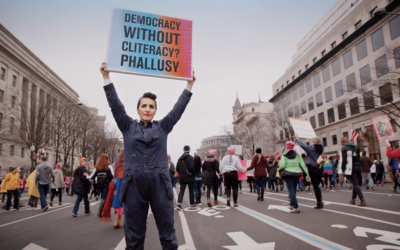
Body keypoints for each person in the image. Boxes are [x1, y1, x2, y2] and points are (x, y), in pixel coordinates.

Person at [101, 62, 195, 250]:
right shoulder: (127, 126)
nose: (147, 109)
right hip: (133, 184)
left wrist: (189, 85)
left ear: (155, 110)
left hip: (160, 184)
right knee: (134, 236)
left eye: (151, 106)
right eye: (144, 105)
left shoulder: (163, 126)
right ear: (138, 109)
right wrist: (106, 77)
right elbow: (115, 105)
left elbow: (178, 110)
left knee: (168, 234)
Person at [279, 141, 310, 213]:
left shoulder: (284, 155)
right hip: (297, 173)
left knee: (291, 190)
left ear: (287, 147)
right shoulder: (298, 155)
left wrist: (280, 167)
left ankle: (296, 207)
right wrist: (307, 175)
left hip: (288, 173)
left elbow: (282, 165)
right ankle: (292, 204)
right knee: (294, 189)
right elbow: (303, 165)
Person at [295, 135, 324, 209]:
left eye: (311, 141)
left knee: (315, 186)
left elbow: (302, 145)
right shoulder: (321, 148)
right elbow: (320, 143)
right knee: (317, 185)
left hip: (313, 168)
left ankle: (319, 202)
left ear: (313, 142)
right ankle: (320, 200)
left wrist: (297, 138)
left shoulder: (310, 148)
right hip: (320, 168)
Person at [102, 149, 125, 228]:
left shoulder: (117, 158)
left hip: (116, 180)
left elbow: (115, 170)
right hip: (125, 179)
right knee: (127, 200)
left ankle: (116, 221)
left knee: (118, 199)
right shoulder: (130, 156)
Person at [341, 137, 366, 206]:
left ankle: (362, 199)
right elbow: (358, 157)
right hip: (358, 166)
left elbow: (344, 160)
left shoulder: (344, 148)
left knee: (355, 184)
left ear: (342, 142)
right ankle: (353, 199)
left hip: (350, 167)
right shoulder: (356, 146)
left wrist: (343, 170)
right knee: (356, 183)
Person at [176, 146, 196, 210]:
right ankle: (192, 204)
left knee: (182, 191)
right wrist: (192, 172)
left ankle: (179, 204)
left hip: (182, 177)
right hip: (190, 177)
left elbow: (177, 168)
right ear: (189, 150)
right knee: (191, 191)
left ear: (183, 150)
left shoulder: (179, 159)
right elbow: (191, 167)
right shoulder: (190, 158)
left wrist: (182, 173)